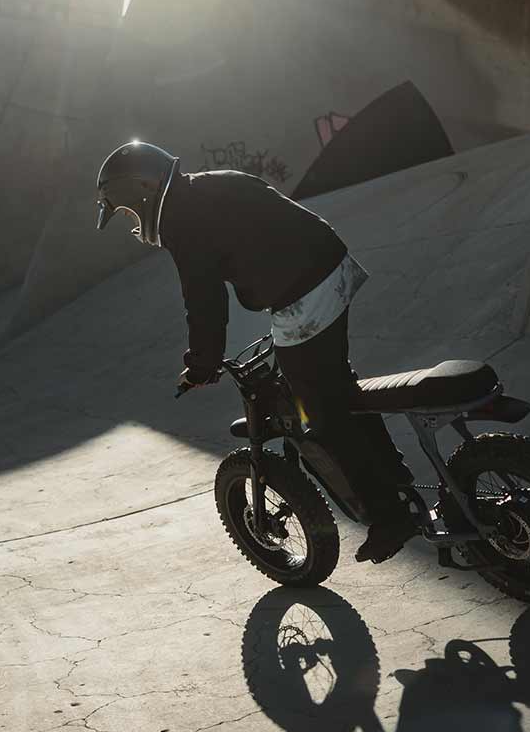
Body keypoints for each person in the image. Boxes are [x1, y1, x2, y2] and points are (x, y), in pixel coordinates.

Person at [95, 140, 417, 563]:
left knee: (317, 414)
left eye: (126, 209)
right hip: (330, 264)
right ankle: (395, 475)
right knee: (337, 386)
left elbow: (204, 299)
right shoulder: (213, 183)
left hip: (305, 291)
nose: (132, 219)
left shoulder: (180, 218)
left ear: (141, 190)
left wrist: (202, 365)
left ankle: (390, 515)